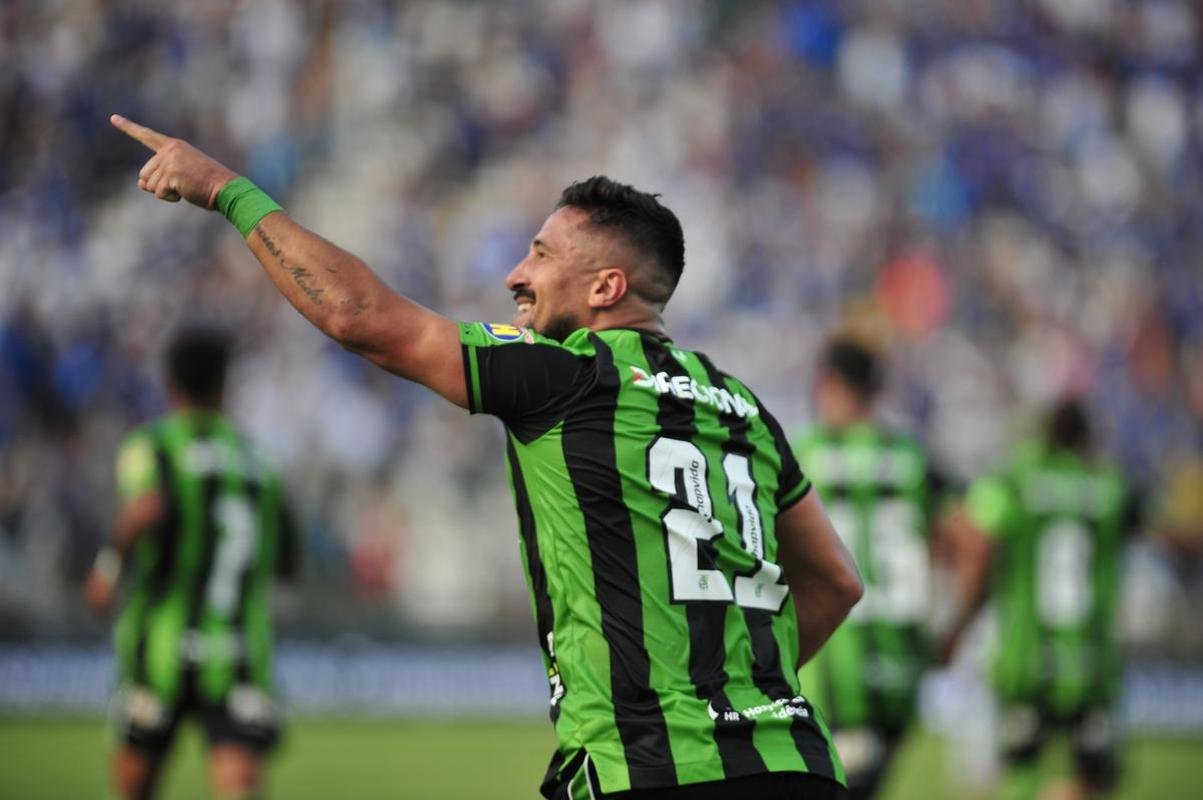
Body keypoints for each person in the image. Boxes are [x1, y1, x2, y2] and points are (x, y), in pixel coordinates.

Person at [108, 113, 863, 799]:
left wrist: (224, 190)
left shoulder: (563, 375)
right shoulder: (745, 408)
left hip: (647, 772)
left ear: (605, 286)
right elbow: (833, 583)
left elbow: (359, 317)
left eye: (539, 255)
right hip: (798, 766)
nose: (514, 275)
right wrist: (729, 691)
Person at [85, 325, 299, 800]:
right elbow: (288, 558)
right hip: (238, 648)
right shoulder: (259, 461)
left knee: (135, 789)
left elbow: (145, 510)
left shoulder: (152, 448)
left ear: (169, 384)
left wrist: (105, 571)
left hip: (159, 646)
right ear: (225, 385)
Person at [950, 399, 1140, 800]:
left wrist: (964, 616)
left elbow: (978, 534)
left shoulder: (1018, 477)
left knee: (1020, 770)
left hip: (1026, 658)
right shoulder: (1111, 483)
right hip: (1091, 659)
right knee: (1095, 777)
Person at [790, 337, 947, 799]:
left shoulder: (807, 451)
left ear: (830, 384)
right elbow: (963, 533)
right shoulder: (913, 457)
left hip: (833, 660)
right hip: (901, 661)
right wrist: (950, 622)